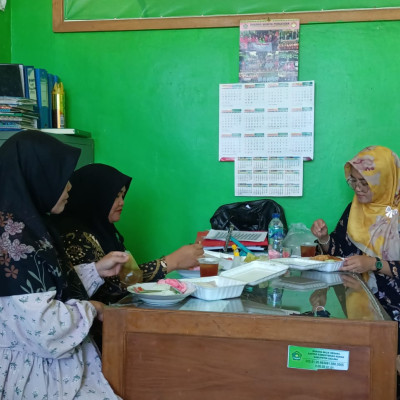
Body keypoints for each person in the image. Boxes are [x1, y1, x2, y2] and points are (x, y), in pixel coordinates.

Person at [0, 130, 127, 399]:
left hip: (52, 367)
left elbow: (44, 287)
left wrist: (95, 271)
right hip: (36, 376)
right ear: (37, 176)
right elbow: (44, 328)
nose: (69, 187)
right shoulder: (14, 240)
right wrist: (91, 309)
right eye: (61, 177)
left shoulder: (31, 228)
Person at [50, 163, 204, 304]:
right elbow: (111, 289)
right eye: (115, 196)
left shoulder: (103, 229)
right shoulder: (72, 234)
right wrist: (170, 262)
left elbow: (129, 277)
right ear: (95, 196)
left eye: (122, 195)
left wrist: (176, 261)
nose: (122, 202)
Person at [311, 145, 400, 348]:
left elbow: (371, 263)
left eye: (365, 183)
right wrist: (324, 238)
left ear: (385, 181)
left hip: (393, 312)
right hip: (357, 302)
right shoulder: (355, 209)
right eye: (353, 181)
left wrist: (373, 264)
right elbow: (339, 251)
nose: (357, 188)